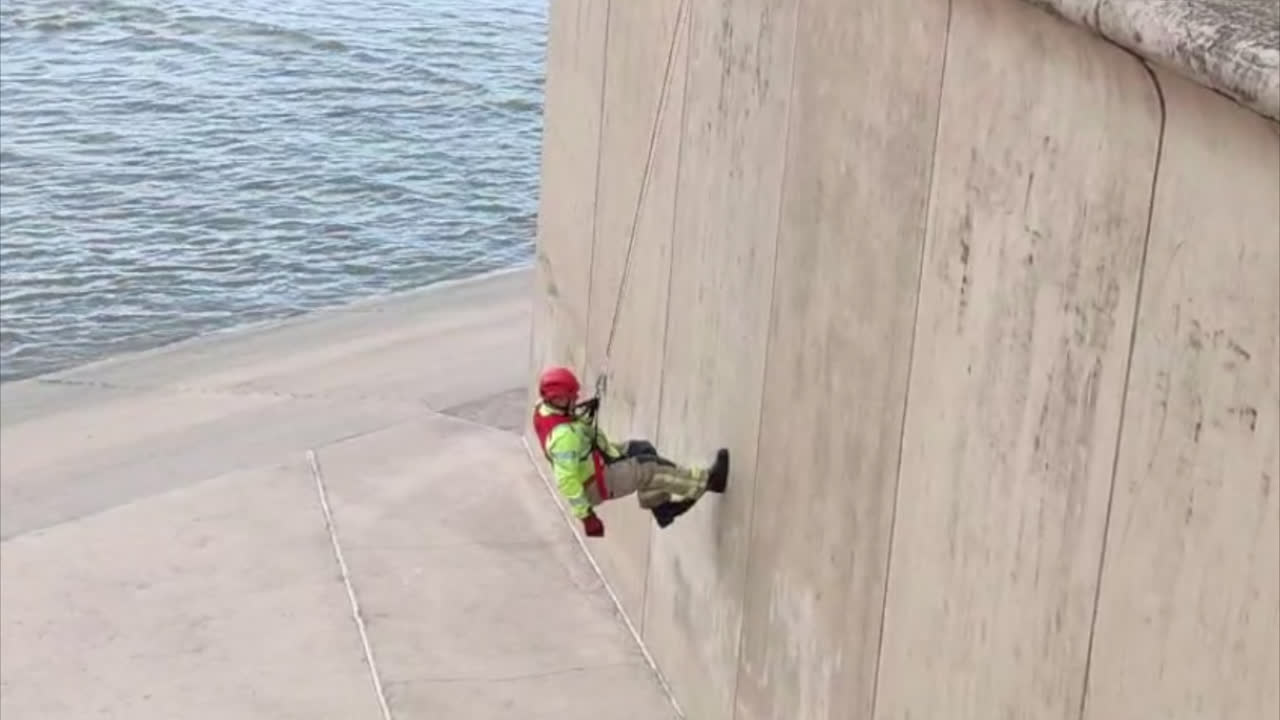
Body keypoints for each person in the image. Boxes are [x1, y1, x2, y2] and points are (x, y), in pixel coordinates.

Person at [531, 365, 729, 537]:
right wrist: (587, 517)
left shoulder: (544, 409)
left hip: (595, 459)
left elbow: (570, 426)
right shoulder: (564, 438)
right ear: (557, 400)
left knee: (643, 449)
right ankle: (708, 482)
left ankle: (662, 509)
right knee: (649, 469)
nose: (575, 400)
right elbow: (567, 481)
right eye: (570, 398)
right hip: (596, 482)